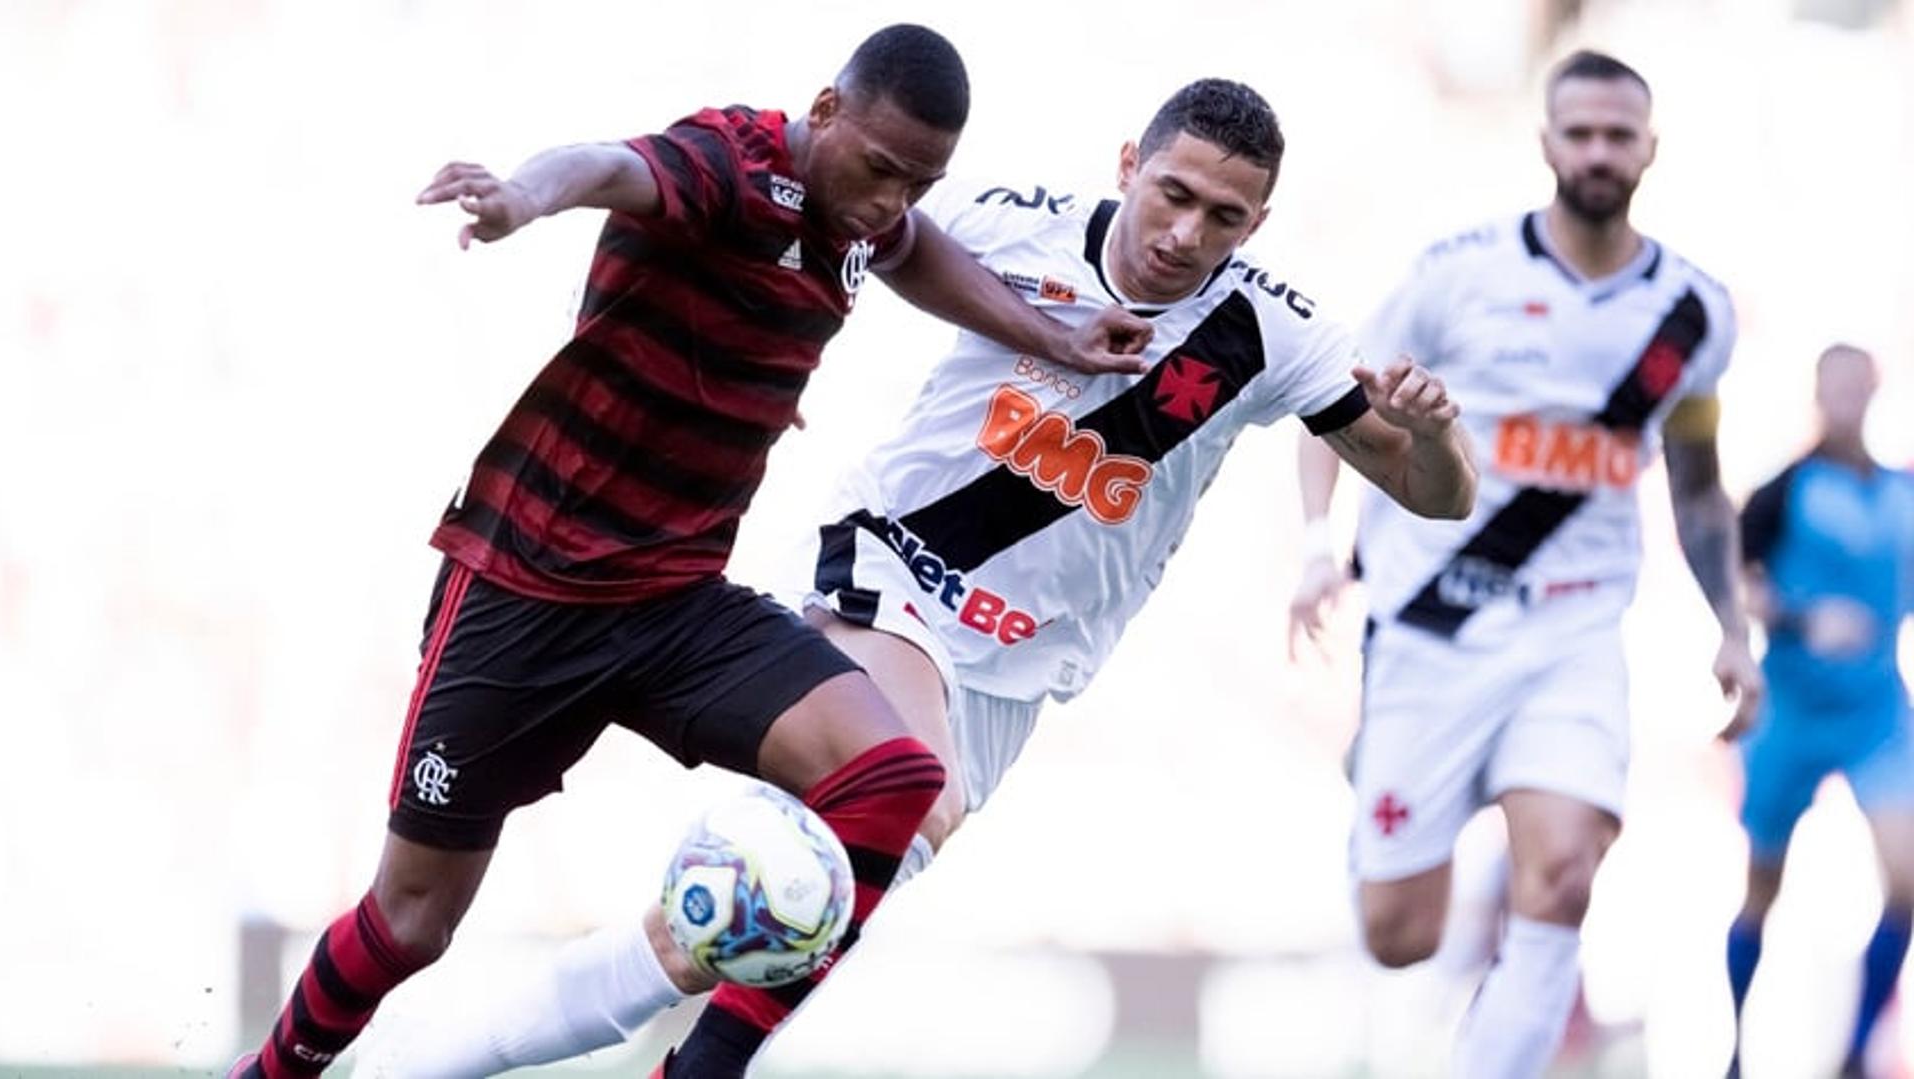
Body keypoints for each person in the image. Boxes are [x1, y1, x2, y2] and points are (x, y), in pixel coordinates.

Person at [356, 77, 1478, 1079]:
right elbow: (834, 233)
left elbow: (1438, 490)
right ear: (1130, 165)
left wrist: (1431, 439)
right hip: (891, 571)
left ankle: (422, 1059)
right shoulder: (1002, 221)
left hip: (1020, 665)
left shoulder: (1273, 331)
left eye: (1222, 217)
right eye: (1171, 193)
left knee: (736, 924)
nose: (1185, 235)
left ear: (1257, 223)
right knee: (905, 792)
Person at [225, 24, 1159, 1078]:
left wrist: (1052, 336)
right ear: (823, 112)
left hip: (674, 601)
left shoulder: (864, 214)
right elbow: (613, 167)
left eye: (921, 180)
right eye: (884, 168)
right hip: (528, 584)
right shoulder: (733, 165)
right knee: (411, 921)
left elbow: (911, 251)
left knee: (894, 778)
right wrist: (524, 198)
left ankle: (706, 1065)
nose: (895, 199)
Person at [1286, 49, 1762, 1078]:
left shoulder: (1694, 313)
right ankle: (1384, 782)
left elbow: (1695, 480)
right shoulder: (1458, 274)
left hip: (1574, 630)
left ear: (1648, 148)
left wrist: (1732, 625)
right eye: (1580, 131)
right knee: (1398, 932)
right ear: (1547, 141)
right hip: (1430, 624)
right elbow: (1334, 409)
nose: (1598, 151)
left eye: (1617, 134)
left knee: (1564, 876)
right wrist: (1319, 547)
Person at [1724, 344, 1914, 1079]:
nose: (1843, 399)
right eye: (1830, 387)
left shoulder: (1900, 493)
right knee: (1761, 889)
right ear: (1816, 394)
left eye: (1854, 385)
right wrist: (1804, 620)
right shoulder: (1785, 490)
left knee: (1906, 878)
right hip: (1793, 713)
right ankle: (1737, 1049)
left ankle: (1855, 1051)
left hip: (1877, 712)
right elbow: (1738, 584)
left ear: (1872, 389)